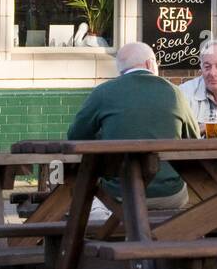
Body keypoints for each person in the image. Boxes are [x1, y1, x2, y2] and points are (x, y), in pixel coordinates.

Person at [68, 41, 198, 210]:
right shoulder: (175, 92)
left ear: (120, 69)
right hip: (169, 193)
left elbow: (75, 136)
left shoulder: (103, 92)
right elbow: (193, 141)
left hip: (118, 193)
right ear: (151, 63)